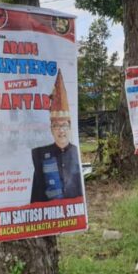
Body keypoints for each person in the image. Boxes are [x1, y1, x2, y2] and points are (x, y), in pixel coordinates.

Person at [30, 71, 84, 203]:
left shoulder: (76, 152)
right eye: (56, 126)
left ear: (70, 127)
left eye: (64, 125)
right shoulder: (40, 154)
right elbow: (36, 194)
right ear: (51, 129)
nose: (61, 131)